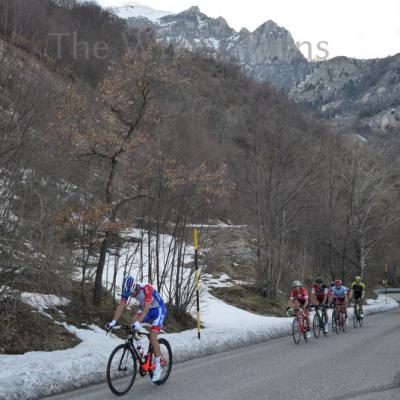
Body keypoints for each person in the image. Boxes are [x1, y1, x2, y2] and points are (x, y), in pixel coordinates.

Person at [106, 276, 167, 382]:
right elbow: (121, 306)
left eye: (132, 293)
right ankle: (140, 347)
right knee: (132, 324)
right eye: (129, 294)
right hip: (146, 309)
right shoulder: (127, 290)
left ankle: (158, 367)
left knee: (153, 337)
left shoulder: (146, 288)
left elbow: (147, 307)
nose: (131, 295)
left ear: (136, 287)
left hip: (158, 310)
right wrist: (113, 322)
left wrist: (139, 323)